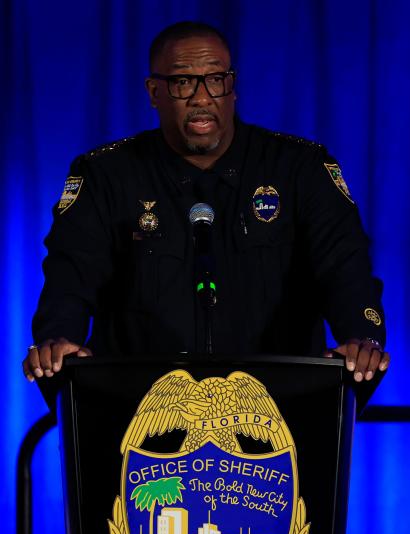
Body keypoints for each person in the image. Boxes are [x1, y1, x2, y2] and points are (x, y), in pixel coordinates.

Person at [22, 21, 388, 385]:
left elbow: (345, 269)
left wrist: (360, 337)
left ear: (233, 88)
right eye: (183, 82)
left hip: (276, 412)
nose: (201, 98)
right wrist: (59, 339)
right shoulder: (107, 175)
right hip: (142, 413)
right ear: (154, 92)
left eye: (216, 79)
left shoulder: (298, 168)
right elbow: (70, 275)